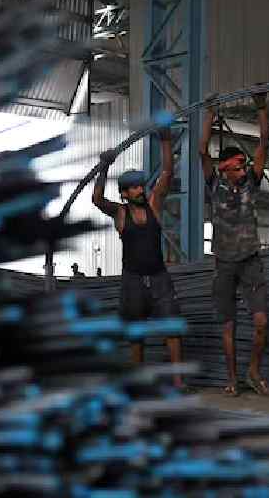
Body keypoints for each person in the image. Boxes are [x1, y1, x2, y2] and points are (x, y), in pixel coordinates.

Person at [92, 126, 185, 387]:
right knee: (136, 334)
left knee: (173, 328)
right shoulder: (120, 213)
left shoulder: (154, 204)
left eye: (140, 186)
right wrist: (104, 166)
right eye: (133, 188)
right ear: (124, 193)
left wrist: (166, 140)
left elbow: (167, 173)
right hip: (133, 281)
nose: (139, 190)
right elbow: (97, 198)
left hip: (159, 278)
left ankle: (178, 381)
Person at [199, 91, 269, 397]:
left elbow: (264, 144)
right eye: (238, 166)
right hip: (224, 262)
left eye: (244, 165)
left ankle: (253, 371)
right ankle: (232, 379)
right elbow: (202, 150)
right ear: (225, 168)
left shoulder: (251, 183)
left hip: (251, 260)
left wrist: (261, 107)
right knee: (227, 326)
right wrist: (210, 113)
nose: (243, 170)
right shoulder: (214, 185)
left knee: (260, 322)